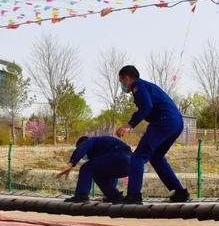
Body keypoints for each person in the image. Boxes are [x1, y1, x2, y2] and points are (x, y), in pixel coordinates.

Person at [116, 65, 190, 205]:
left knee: (138, 157)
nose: (122, 85)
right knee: (156, 157)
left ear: (127, 78)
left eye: (121, 81)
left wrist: (129, 125)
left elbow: (146, 107)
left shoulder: (138, 86)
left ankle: (133, 195)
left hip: (164, 121)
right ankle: (179, 192)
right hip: (176, 123)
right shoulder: (147, 86)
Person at [56, 135, 131, 204]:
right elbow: (111, 176)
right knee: (97, 174)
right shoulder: (103, 150)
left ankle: (81, 196)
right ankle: (114, 196)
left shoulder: (91, 140)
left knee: (86, 168)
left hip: (120, 156)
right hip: (129, 165)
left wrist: (71, 163)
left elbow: (84, 145)